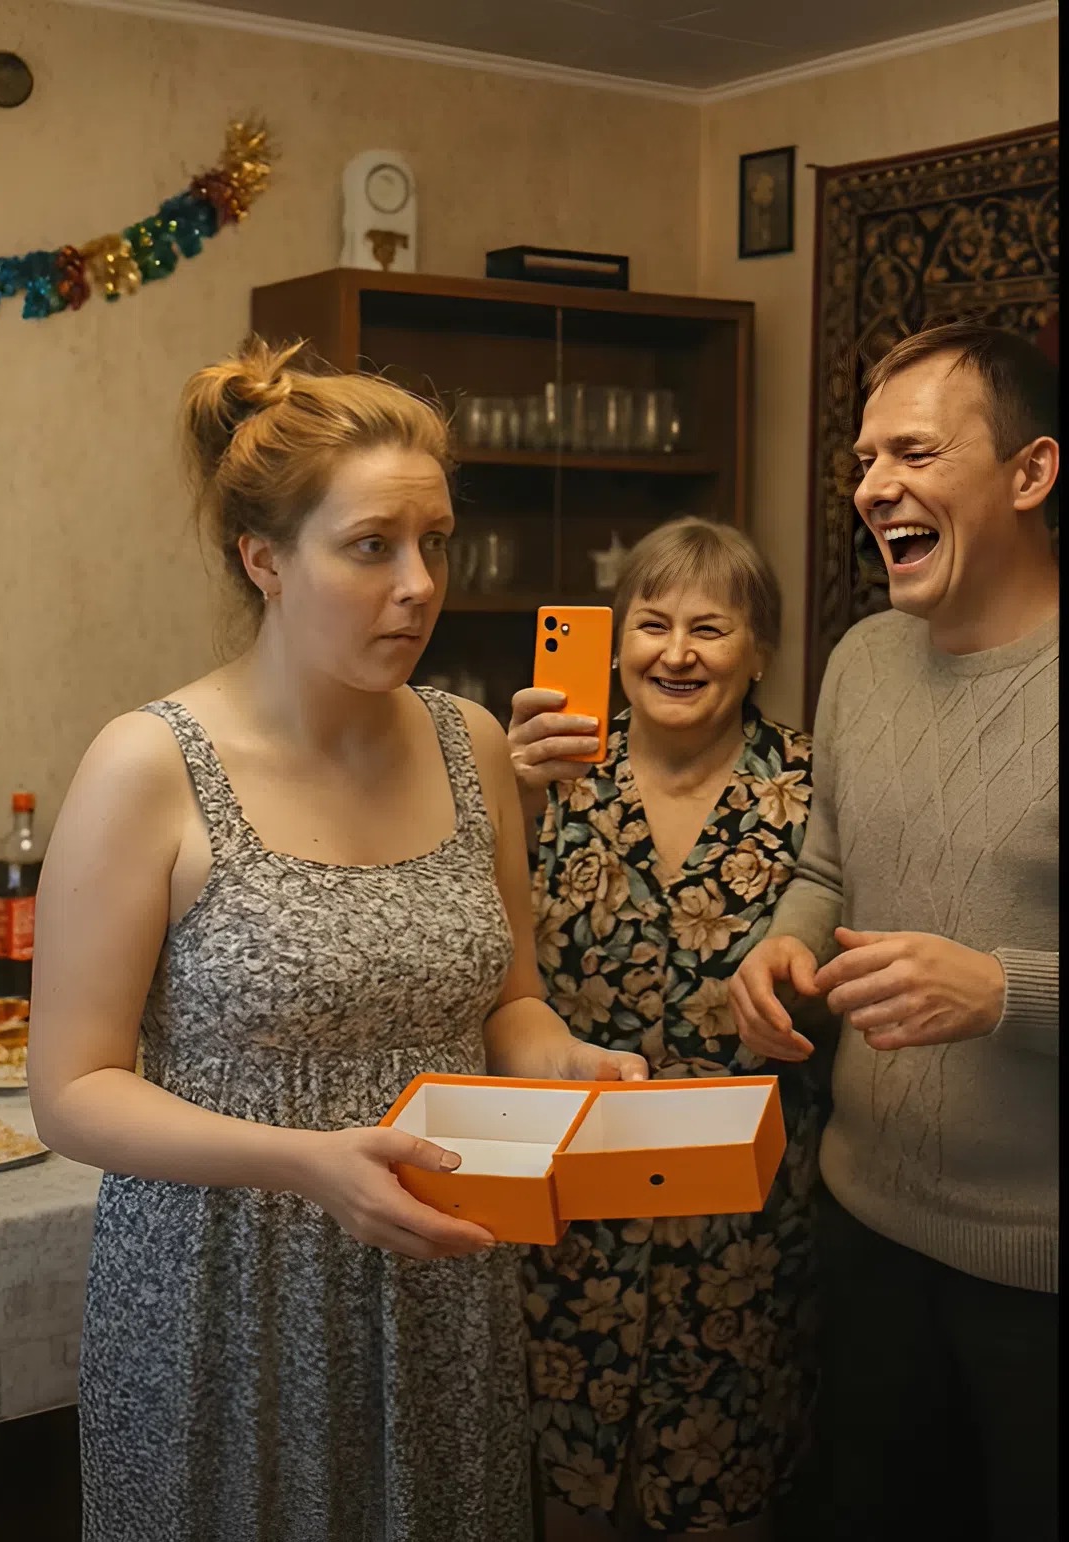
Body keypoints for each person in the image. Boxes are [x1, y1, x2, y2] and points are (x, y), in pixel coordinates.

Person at [26, 339, 646, 1542]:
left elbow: (509, 1000)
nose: (419, 585)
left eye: (436, 543)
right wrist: (306, 1161)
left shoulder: (471, 745)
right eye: (372, 547)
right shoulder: (147, 767)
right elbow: (73, 1092)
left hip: (437, 1287)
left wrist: (560, 1057)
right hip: (225, 1296)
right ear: (263, 558)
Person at [729, 322, 1059, 1542]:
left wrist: (1003, 991)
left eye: (913, 453)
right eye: (863, 460)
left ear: (1028, 473)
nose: (872, 487)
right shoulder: (861, 660)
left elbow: (995, 982)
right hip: (861, 1225)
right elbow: (828, 865)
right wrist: (786, 942)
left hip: (1036, 1275)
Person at [508, 518, 824, 1541]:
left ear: (759, 650)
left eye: (710, 628)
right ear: (614, 643)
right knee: (568, 1492)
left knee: (725, 1497)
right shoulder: (556, 776)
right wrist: (505, 792)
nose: (675, 653)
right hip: (570, 1211)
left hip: (748, 1227)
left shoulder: (815, 791)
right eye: (651, 624)